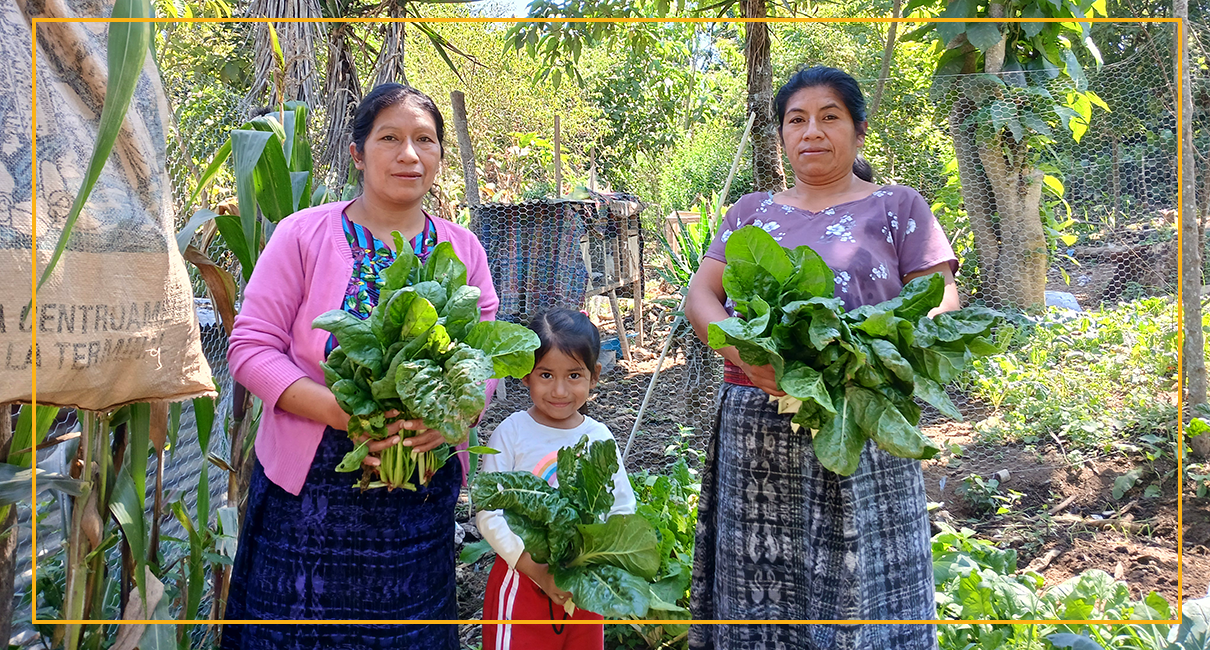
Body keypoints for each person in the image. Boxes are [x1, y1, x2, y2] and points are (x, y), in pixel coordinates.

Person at [685, 66, 961, 650]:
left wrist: (873, 357)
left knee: (865, 573)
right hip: (759, 415)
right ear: (782, 135)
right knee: (759, 577)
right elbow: (701, 296)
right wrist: (744, 349)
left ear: (859, 130)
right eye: (797, 119)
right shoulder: (751, 211)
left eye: (829, 117)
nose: (812, 131)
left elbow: (940, 299)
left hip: (861, 415)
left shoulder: (899, 206)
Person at [223, 83, 499, 649]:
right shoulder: (302, 234)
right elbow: (250, 349)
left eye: (425, 140)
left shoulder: (463, 249)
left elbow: (487, 358)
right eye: (390, 138)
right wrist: (345, 412)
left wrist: (449, 418)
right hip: (313, 488)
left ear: (441, 156)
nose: (409, 155)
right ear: (357, 152)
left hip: (417, 483)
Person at [476, 308, 637, 650]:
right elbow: (490, 513)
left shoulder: (600, 438)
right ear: (525, 375)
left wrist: (595, 561)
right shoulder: (512, 434)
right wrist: (536, 569)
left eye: (574, 376)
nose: (560, 390)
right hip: (521, 580)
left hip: (584, 587)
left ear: (594, 376)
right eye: (546, 375)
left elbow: (622, 509)